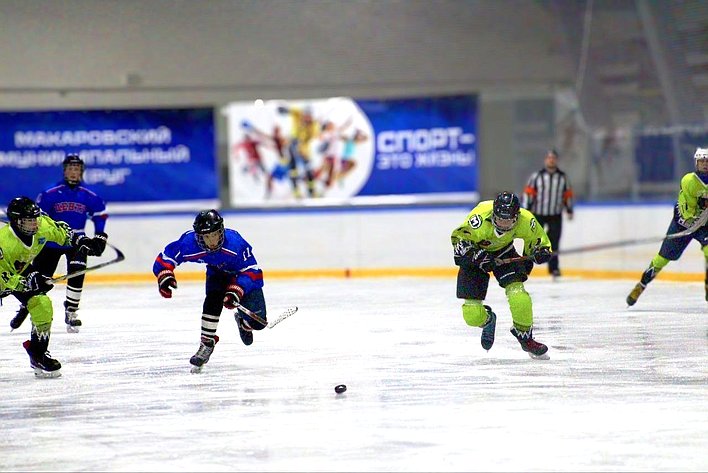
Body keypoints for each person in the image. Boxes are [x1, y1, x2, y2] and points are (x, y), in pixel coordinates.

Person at [0, 196, 104, 377]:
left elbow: (63, 234)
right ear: (16, 222)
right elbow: (4, 277)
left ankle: (38, 354)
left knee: (42, 304)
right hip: (4, 276)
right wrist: (28, 282)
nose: (34, 225)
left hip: (17, 271)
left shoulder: (42, 226)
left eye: (35, 219)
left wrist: (82, 241)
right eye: (28, 221)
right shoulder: (4, 243)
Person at [152, 209, 266, 372]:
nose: (211, 241)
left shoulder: (236, 243)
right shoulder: (188, 243)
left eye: (214, 235)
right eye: (206, 237)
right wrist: (165, 275)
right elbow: (166, 257)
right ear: (199, 237)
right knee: (213, 298)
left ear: (221, 232)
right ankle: (207, 343)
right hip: (217, 273)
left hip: (242, 277)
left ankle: (243, 323)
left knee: (258, 323)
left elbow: (252, 271)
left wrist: (237, 289)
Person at [10, 154, 109, 333]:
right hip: (51, 242)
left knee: (77, 271)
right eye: (70, 169)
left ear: (81, 172)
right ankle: (26, 306)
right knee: (39, 279)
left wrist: (100, 235)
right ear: (64, 171)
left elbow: (100, 213)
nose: (73, 172)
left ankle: (71, 311)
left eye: (77, 169)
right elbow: (39, 219)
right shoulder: (50, 194)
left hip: (76, 240)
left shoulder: (89, 195)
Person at [451, 191, 553, 359]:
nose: (504, 225)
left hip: (504, 252)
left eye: (509, 221)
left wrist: (539, 251)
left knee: (519, 296)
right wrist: (480, 258)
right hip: (476, 255)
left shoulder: (526, 220)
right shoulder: (479, 219)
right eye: (500, 220)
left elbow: (538, 241)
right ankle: (488, 320)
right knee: (472, 315)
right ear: (493, 214)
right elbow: (459, 243)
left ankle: (525, 337)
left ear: (516, 217)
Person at [627, 147, 708, 306]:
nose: (705, 164)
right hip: (683, 224)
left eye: (707, 161)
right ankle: (641, 285)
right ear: (696, 163)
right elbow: (688, 212)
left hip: (705, 225)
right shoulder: (689, 181)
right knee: (661, 260)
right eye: (702, 161)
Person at [521, 149, 574, 278]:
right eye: (549, 158)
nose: (551, 160)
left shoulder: (563, 177)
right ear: (546, 160)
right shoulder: (537, 176)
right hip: (538, 213)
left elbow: (567, 195)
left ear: (556, 160)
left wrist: (569, 209)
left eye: (553, 158)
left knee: (554, 242)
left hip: (555, 214)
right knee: (532, 240)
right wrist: (526, 210)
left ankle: (554, 268)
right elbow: (529, 193)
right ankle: (524, 267)